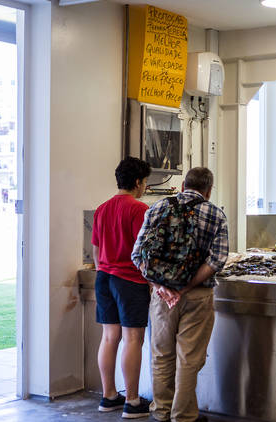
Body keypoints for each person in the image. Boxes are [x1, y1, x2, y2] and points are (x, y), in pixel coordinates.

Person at [132, 167, 228, 422]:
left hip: (162, 297)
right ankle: (183, 415)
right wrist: (185, 286)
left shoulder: (157, 208)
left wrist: (162, 286)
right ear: (208, 190)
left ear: (183, 185)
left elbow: (137, 254)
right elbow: (217, 259)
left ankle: (161, 411)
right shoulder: (215, 213)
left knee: (162, 355)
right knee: (189, 358)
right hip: (197, 296)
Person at [91, 156, 152, 418]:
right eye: (145, 182)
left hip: (103, 277)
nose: (145, 187)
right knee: (133, 339)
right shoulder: (138, 209)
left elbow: (95, 251)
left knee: (108, 337)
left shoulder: (101, 209)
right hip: (129, 280)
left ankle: (109, 396)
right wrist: (151, 282)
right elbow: (143, 252)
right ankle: (133, 402)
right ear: (138, 182)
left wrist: (105, 268)